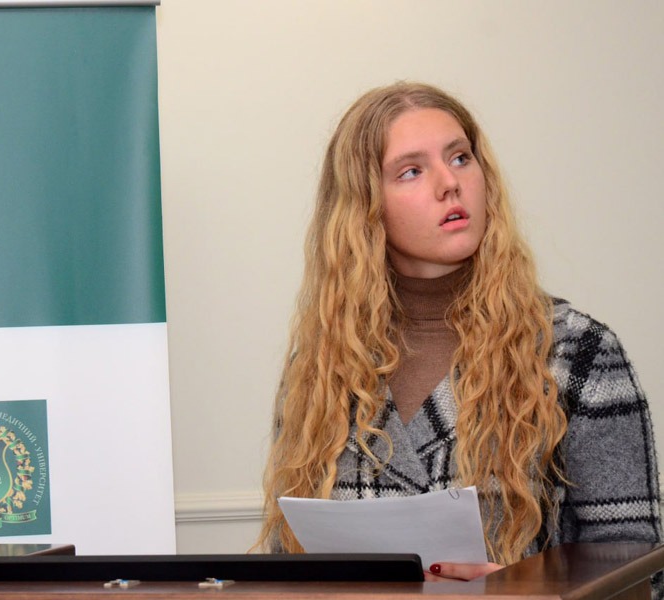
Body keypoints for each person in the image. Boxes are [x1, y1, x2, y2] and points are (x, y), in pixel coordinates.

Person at [256, 81, 662, 582]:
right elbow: (286, 562)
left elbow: (638, 574)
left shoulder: (576, 352)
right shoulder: (321, 365)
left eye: (460, 158)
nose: (449, 183)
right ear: (364, 206)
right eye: (411, 171)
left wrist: (522, 590)